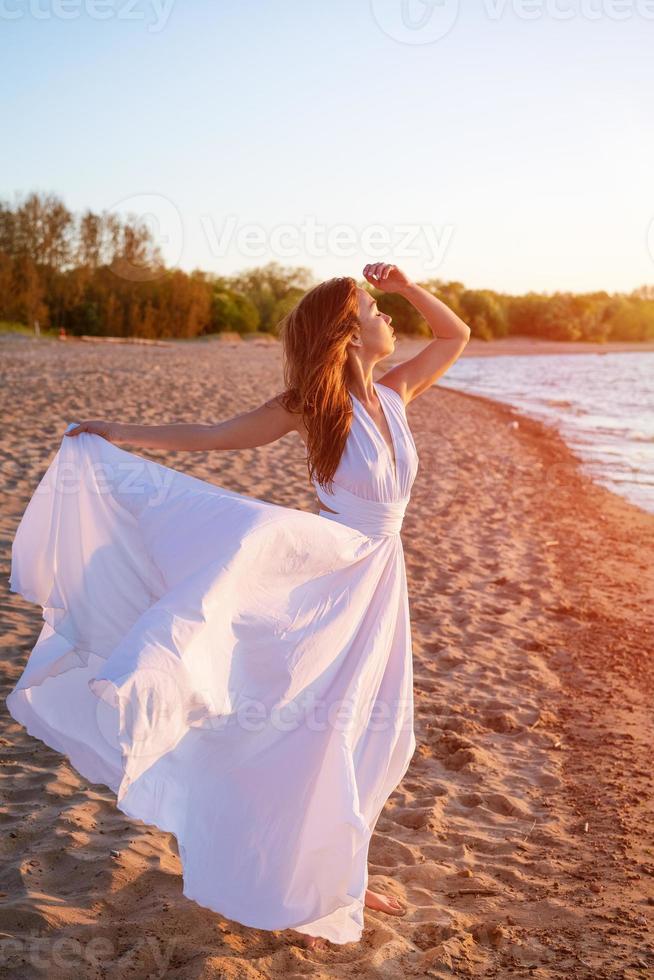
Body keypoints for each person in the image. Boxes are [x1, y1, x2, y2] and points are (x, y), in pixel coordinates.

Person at [6, 262, 470, 950]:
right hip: (326, 583)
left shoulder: (397, 393)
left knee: (372, 728)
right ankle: (305, 884)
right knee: (317, 730)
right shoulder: (315, 407)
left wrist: (402, 285)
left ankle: (341, 870)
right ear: (347, 333)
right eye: (374, 310)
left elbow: (455, 333)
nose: (388, 320)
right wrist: (115, 432)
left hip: (379, 587)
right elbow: (212, 434)